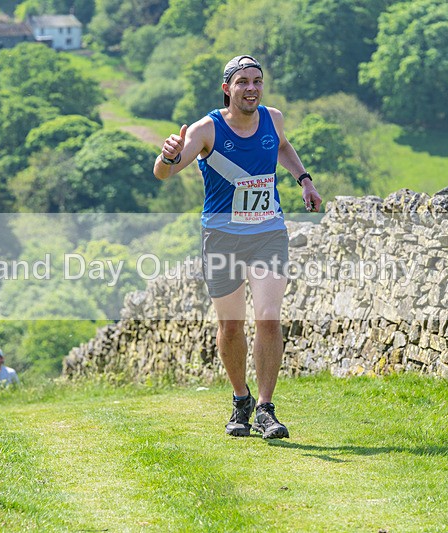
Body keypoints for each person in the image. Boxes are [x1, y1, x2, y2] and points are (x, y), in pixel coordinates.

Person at [153, 55, 321, 439]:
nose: (251, 88)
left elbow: (282, 146)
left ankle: (265, 408)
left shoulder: (272, 118)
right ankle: (240, 399)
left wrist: (304, 180)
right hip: (222, 238)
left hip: (267, 232)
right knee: (230, 326)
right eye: (243, 82)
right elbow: (164, 173)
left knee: (268, 317)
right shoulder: (205, 129)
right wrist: (167, 154)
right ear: (227, 88)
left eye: (257, 81)